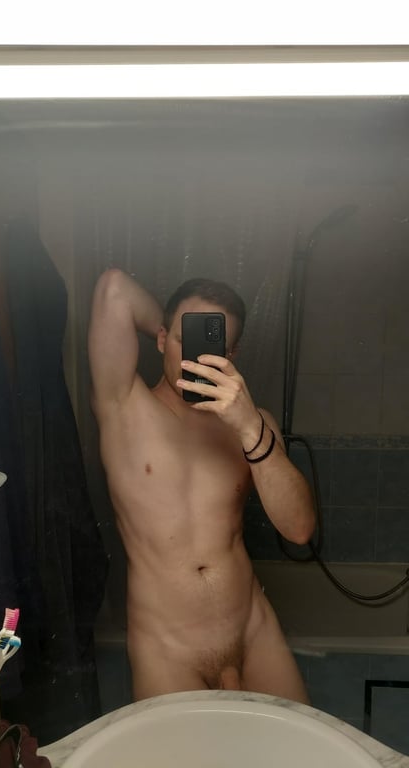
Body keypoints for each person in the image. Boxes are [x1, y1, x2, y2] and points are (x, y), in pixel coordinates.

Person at [88, 268, 316, 704]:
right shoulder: (125, 406)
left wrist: (247, 425)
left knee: (302, 742)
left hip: (254, 632)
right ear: (159, 338)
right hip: (167, 650)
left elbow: (300, 528)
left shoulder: (254, 426)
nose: (196, 356)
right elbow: (114, 288)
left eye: (212, 344)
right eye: (185, 339)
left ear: (232, 352)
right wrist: (177, 324)